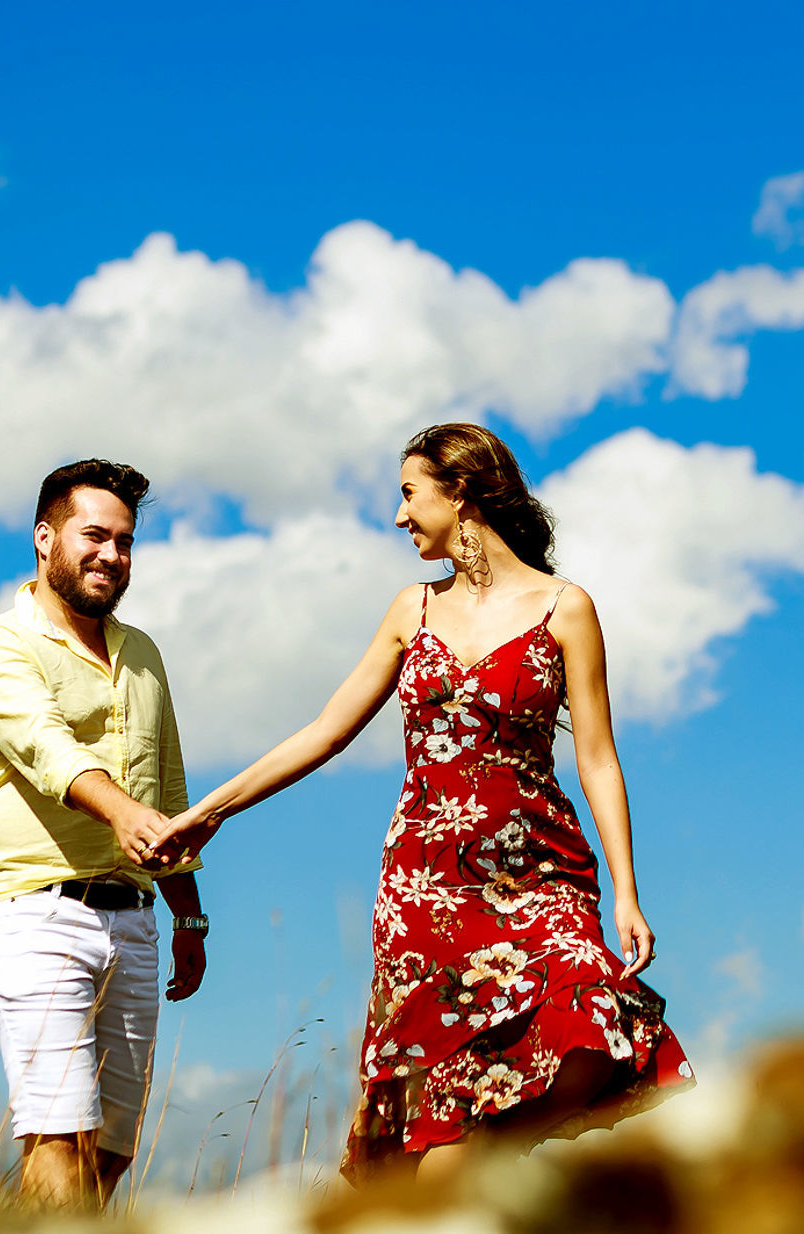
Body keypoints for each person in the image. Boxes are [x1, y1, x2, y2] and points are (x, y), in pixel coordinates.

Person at [151, 423, 692, 1182]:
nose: (400, 517)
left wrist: (628, 893)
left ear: (461, 491)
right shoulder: (412, 610)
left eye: (410, 494)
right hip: (425, 890)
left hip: (541, 874)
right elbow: (326, 731)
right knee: (437, 1121)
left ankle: (483, 1160)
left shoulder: (566, 609)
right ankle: (454, 1182)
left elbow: (597, 757)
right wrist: (211, 811)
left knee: (592, 1016)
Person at [0, 459, 209, 1209]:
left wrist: (186, 913)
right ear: (45, 538)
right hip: (29, 911)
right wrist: (124, 813)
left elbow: (166, 795)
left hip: (133, 921)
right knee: (57, 1137)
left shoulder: (145, 656)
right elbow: (48, 751)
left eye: (125, 542)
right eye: (94, 535)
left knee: (107, 1161)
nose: (112, 556)